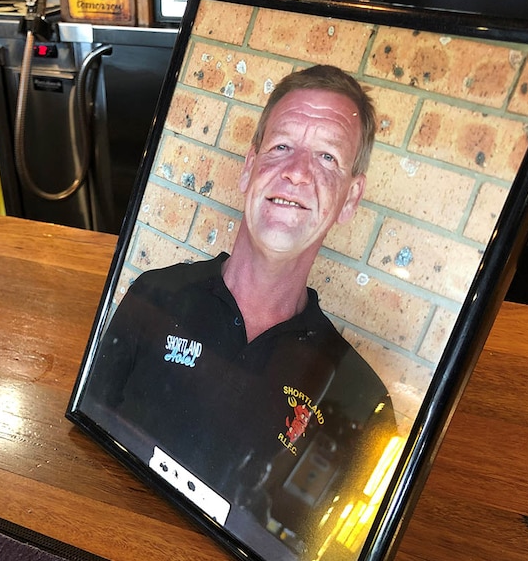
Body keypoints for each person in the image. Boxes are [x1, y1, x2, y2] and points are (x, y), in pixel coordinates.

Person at [81, 65, 398, 560]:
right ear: (249, 168)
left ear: (349, 199)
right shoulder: (154, 296)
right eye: (280, 147)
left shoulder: (363, 403)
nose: (296, 172)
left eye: (327, 157)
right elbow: (80, 450)